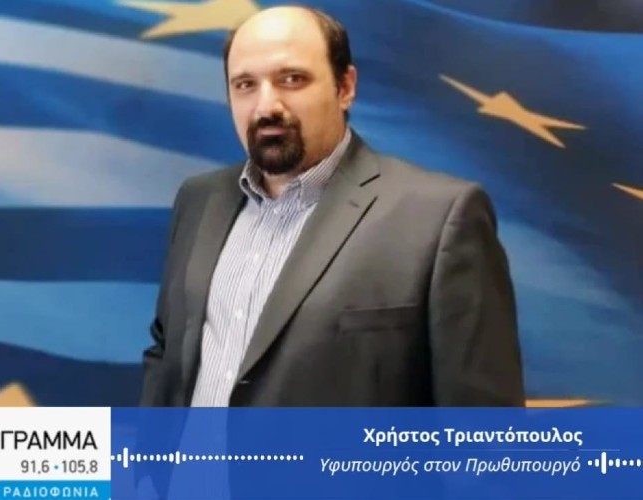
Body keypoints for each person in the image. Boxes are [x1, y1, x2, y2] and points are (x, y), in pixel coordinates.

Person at [139, 5, 525, 407]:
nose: (267, 106)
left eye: (292, 79)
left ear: (345, 87)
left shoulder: (440, 218)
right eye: (245, 84)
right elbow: (167, 352)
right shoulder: (199, 200)